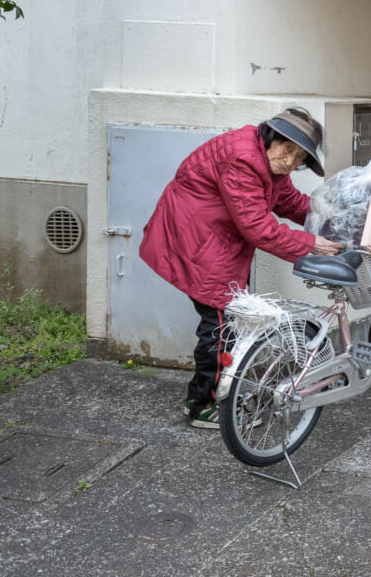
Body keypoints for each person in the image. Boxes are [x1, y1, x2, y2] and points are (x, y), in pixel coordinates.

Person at [139, 107, 344, 429]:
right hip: (200, 239)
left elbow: (286, 200)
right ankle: (202, 404)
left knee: (227, 321)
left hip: (216, 239)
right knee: (220, 326)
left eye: (300, 157)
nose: (290, 161)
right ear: (270, 138)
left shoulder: (267, 162)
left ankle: (220, 391)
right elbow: (257, 226)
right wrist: (310, 244)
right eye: (287, 150)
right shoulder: (244, 159)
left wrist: (330, 221)